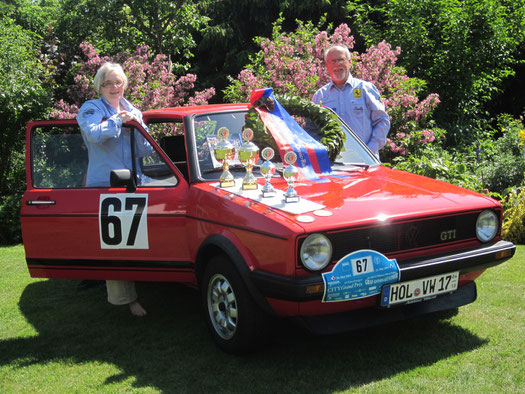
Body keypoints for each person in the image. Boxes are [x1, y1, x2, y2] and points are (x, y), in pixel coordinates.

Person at [76, 62, 152, 317]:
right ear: (100, 86)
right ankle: (127, 300)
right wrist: (118, 121)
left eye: (118, 82)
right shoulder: (91, 109)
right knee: (117, 244)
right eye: (108, 83)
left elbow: (145, 150)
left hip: (134, 183)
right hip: (105, 187)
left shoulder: (133, 109)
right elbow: (94, 135)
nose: (114, 87)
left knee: (137, 239)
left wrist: (137, 125)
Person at [312, 45, 390, 158]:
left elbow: (382, 121)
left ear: (349, 62)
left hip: (366, 163)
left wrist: (368, 152)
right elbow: (313, 130)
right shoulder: (319, 96)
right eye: (332, 61)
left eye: (341, 60)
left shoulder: (366, 89)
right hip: (333, 164)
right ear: (326, 65)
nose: (337, 64)